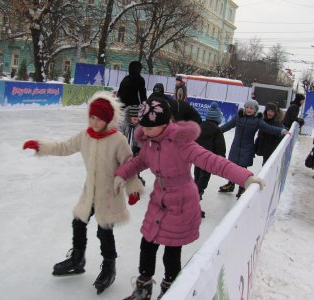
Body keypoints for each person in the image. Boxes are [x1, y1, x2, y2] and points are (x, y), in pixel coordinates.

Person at [113, 95, 264, 300]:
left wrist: (244, 178)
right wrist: (122, 174)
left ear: (164, 123)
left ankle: (171, 290)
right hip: (159, 199)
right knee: (147, 243)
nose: (145, 132)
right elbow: (140, 161)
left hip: (182, 202)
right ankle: (144, 288)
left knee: (172, 251)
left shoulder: (181, 142)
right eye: (144, 128)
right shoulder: (149, 141)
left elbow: (212, 161)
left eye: (149, 128)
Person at [22, 91, 143, 294]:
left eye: (100, 118)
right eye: (92, 117)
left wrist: (133, 190)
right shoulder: (85, 135)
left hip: (109, 194)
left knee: (104, 231)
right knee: (78, 221)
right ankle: (78, 259)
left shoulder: (118, 140)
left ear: (109, 119)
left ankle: (109, 267)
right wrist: (42, 146)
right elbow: (64, 147)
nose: (95, 122)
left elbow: (129, 165)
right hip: (90, 191)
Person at [219, 100, 289, 198]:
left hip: (247, 148)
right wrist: (217, 131)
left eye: (251, 108)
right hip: (235, 147)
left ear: (255, 110)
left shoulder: (257, 121)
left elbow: (269, 128)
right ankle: (230, 184)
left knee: (243, 169)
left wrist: (282, 131)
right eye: (247, 107)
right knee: (232, 167)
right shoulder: (239, 117)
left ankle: (242, 188)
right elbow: (228, 126)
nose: (249, 109)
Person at [194, 102, 226, 218]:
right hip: (208, 161)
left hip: (197, 158)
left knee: (197, 178)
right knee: (202, 182)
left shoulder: (200, 127)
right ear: (218, 119)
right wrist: (221, 160)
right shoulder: (217, 131)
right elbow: (220, 147)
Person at [120, 105, 145, 185]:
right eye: (134, 119)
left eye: (137, 118)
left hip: (135, 148)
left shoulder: (141, 126)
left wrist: (138, 148)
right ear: (129, 117)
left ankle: (136, 177)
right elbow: (119, 133)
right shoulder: (124, 124)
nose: (136, 120)